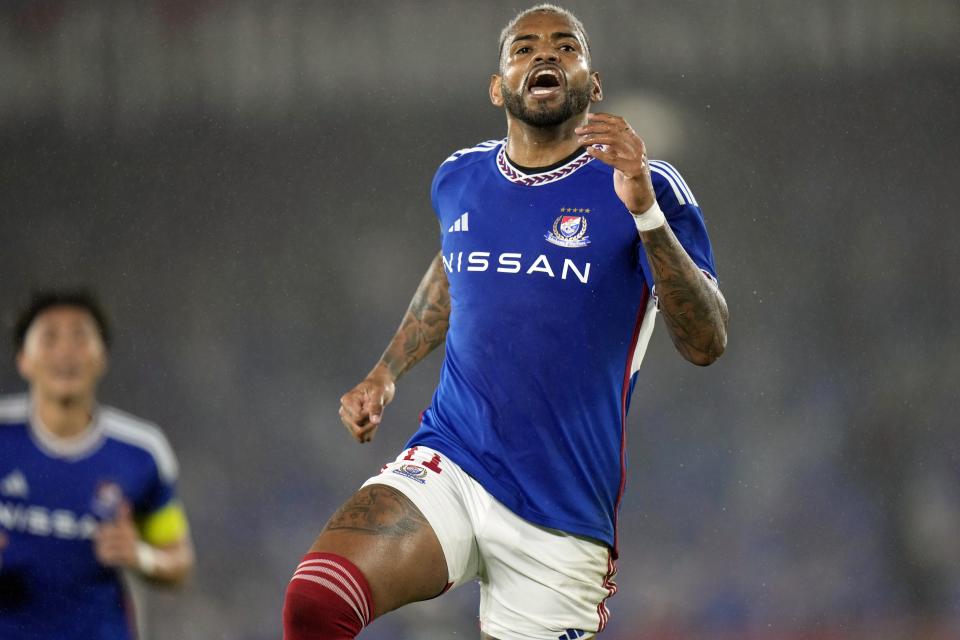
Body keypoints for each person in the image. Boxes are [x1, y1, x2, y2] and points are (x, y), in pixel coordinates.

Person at [283, 4, 728, 639]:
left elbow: (708, 341)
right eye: (523, 48)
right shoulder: (459, 178)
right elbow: (453, 269)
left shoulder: (645, 184)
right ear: (498, 87)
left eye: (564, 46)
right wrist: (386, 372)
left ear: (592, 82)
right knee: (315, 602)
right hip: (453, 461)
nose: (544, 55)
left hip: (562, 511)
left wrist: (647, 214)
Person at [0, 290, 195, 639]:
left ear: (101, 356)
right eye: (49, 337)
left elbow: (179, 563)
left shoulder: (140, 452)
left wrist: (140, 555)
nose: (66, 351)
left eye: (80, 336)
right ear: (23, 360)